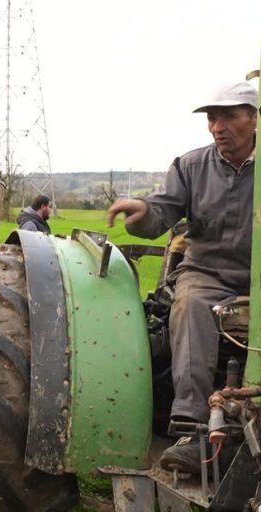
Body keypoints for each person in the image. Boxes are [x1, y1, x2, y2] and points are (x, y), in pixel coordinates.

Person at [107, 81, 258, 474]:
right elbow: (161, 208)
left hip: (258, 278)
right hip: (208, 273)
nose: (217, 126)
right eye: (212, 117)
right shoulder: (191, 166)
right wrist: (141, 211)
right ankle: (191, 429)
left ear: (253, 118)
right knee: (190, 306)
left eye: (228, 116)